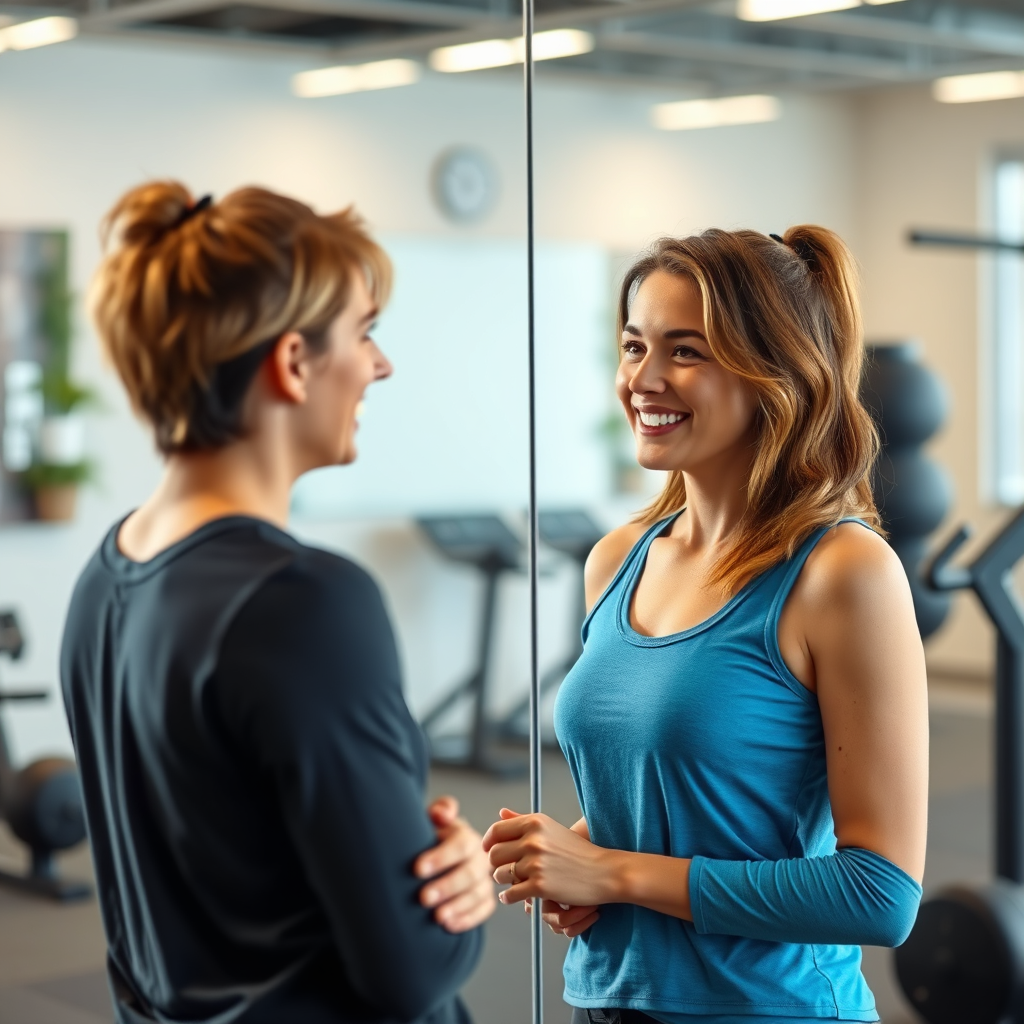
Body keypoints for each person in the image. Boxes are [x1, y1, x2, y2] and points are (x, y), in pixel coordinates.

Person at [60, 182, 495, 1024]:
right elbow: (410, 971)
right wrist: (468, 885)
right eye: (364, 333)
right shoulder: (304, 603)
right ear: (294, 363)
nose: (380, 365)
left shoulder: (105, 576)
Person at [483, 227, 928, 1024]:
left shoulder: (842, 572)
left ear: (774, 372)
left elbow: (880, 894)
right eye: (633, 346)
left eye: (685, 351)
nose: (642, 380)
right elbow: (687, 791)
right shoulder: (617, 560)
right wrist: (572, 857)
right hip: (606, 1001)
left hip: (772, 1010)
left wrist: (612, 874)